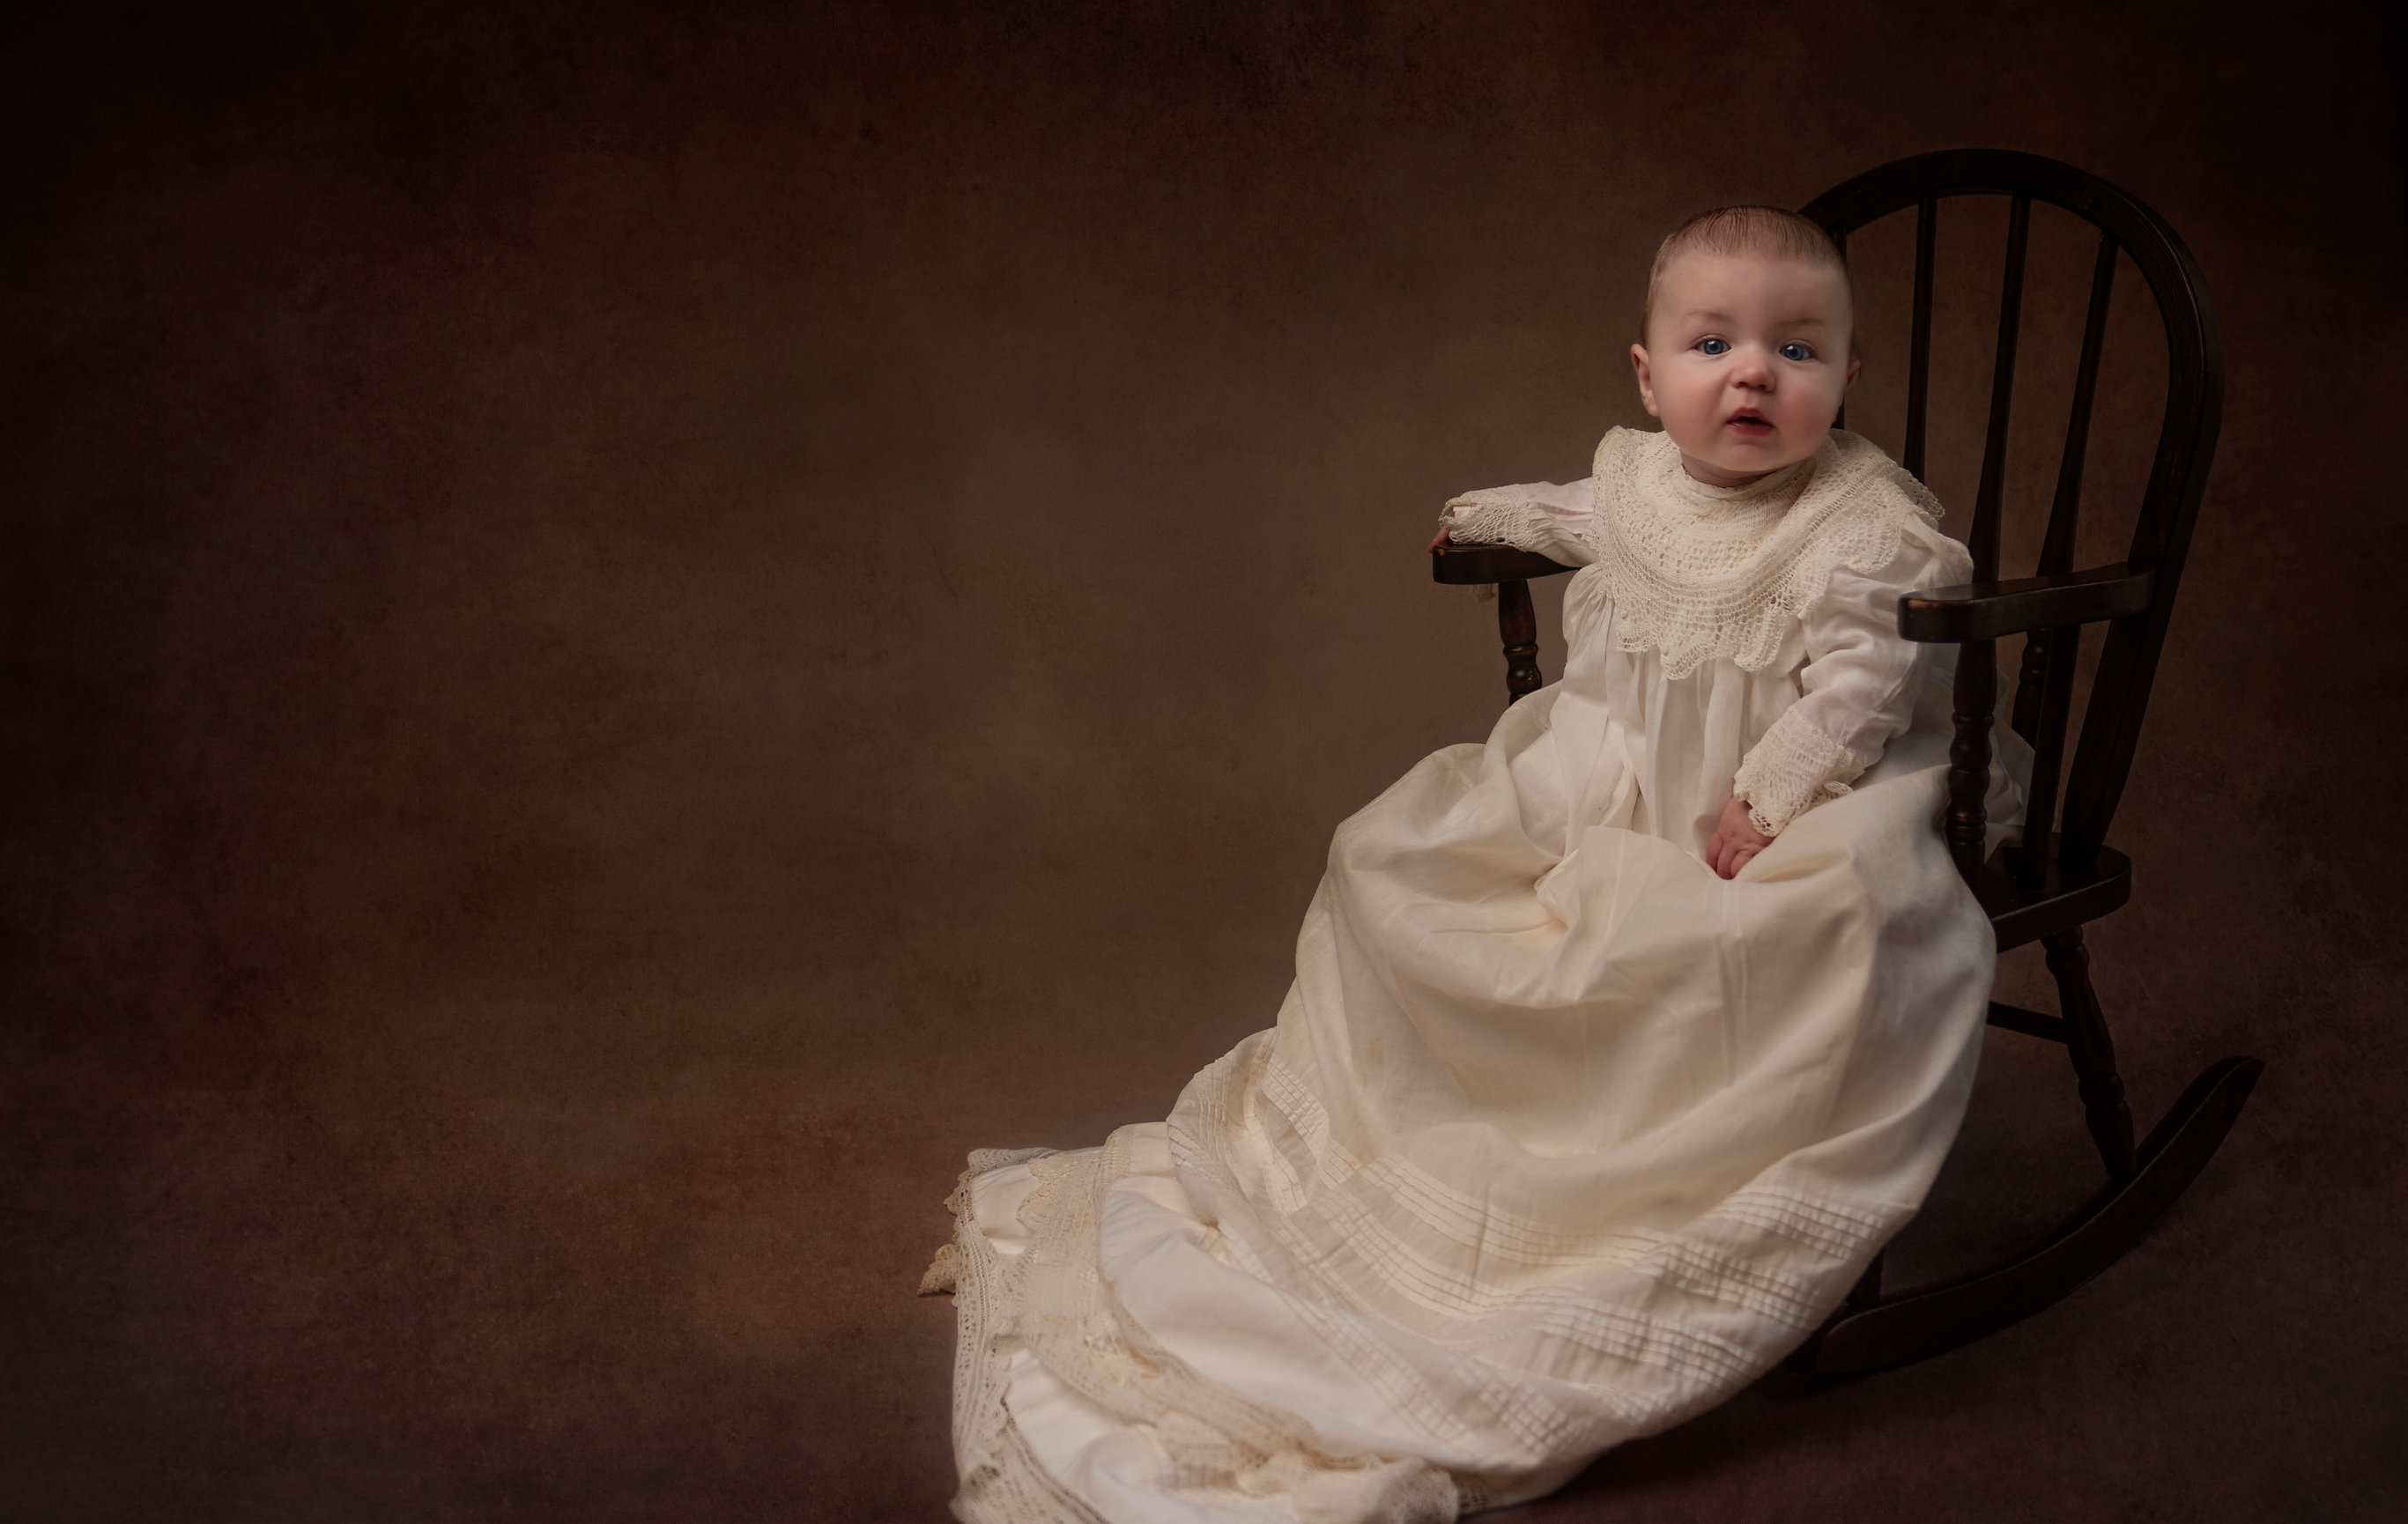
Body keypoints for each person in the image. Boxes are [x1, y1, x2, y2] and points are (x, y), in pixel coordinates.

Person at [922, 206, 2028, 1524]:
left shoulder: (1862, 524)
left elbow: (1862, 685)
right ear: (1645, 374)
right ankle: (1440, 1151)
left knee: (1754, 933)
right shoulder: (1637, 479)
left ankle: (1651, 1154)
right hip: (1603, 770)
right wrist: (1487, 515)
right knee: (1393, 860)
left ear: (1846, 377)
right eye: (1712, 343)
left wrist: (1769, 792)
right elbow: (1580, 517)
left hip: (1777, 803)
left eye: (1797, 350)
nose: (1752, 374)